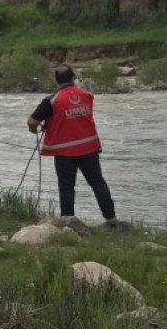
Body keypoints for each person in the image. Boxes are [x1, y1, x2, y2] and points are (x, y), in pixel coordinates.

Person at [27, 66, 117, 223]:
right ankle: (111, 219)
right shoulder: (87, 95)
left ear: (56, 81)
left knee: (67, 187)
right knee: (97, 182)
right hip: (90, 148)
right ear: (73, 78)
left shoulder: (51, 100)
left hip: (65, 153)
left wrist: (36, 130)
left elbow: (32, 121)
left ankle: (68, 222)